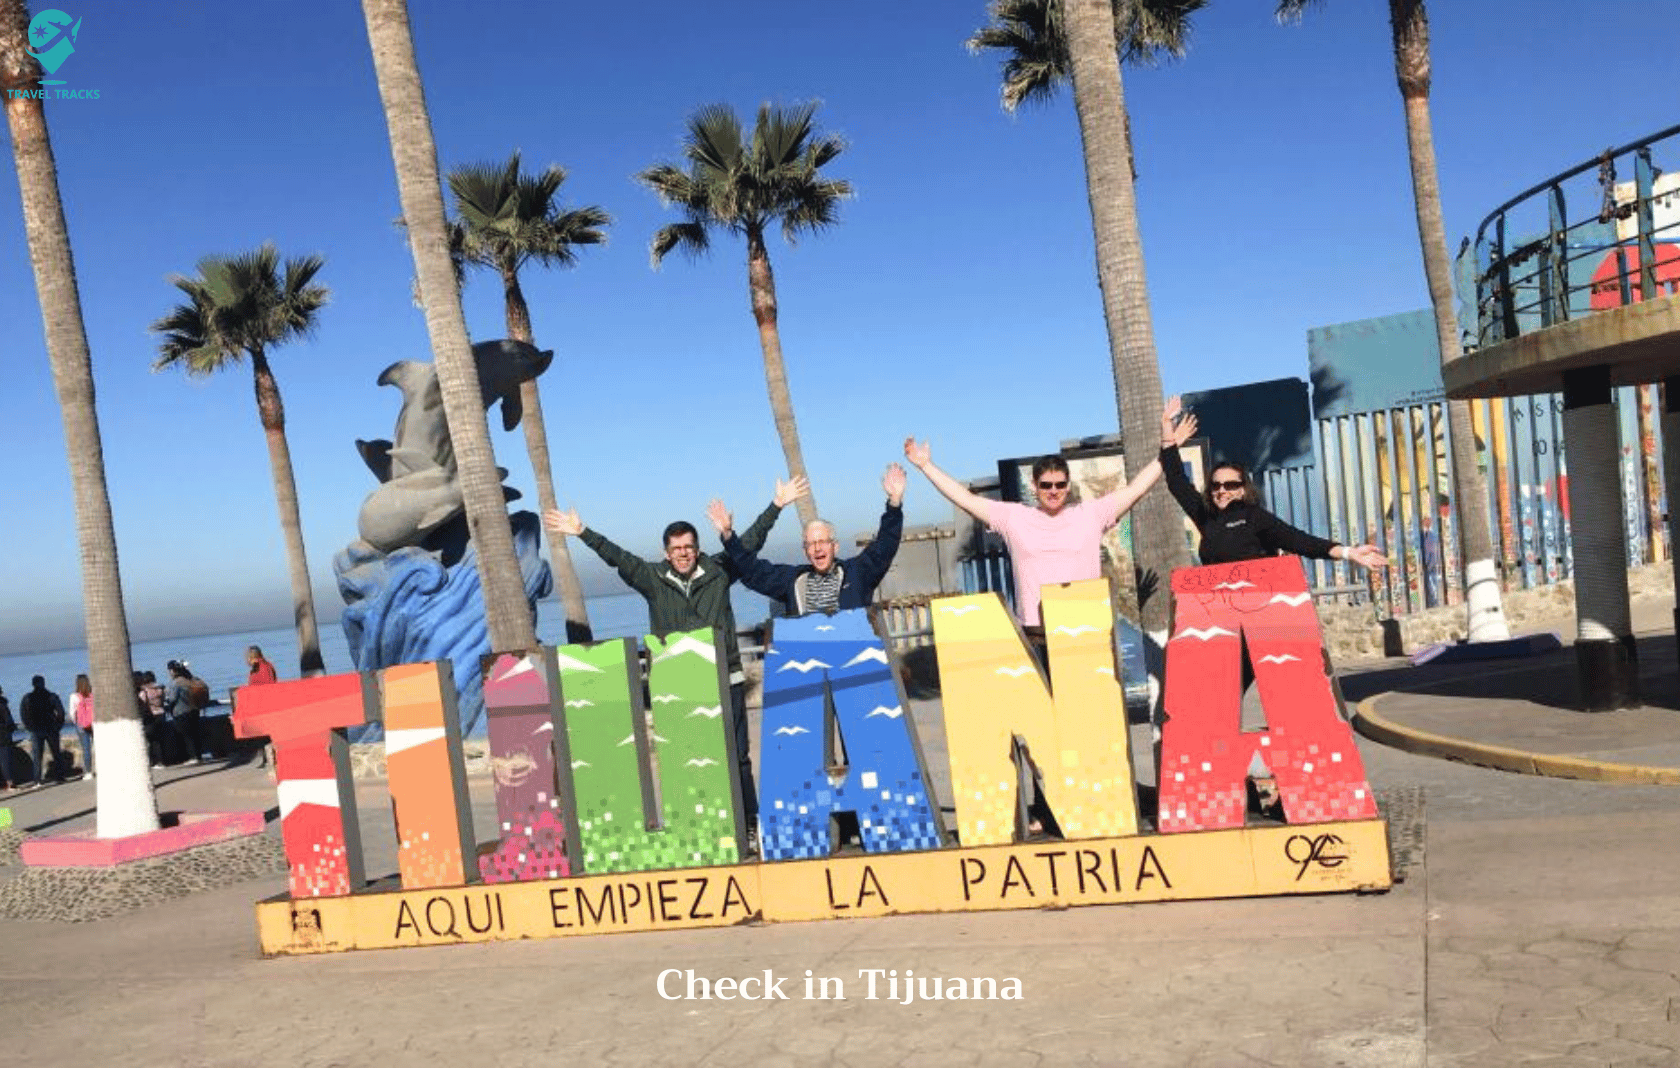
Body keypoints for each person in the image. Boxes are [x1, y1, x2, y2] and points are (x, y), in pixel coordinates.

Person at [542, 477, 808, 839]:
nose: (683, 553)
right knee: (691, 760)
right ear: (666, 552)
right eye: (676, 548)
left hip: (726, 678)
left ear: (697, 549)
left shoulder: (718, 571)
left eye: (688, 547)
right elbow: (619, 558)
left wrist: (776, 505)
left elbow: (748, 544)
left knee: (738, 757)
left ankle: (749, 822)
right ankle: (703, 827)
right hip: (681, 689)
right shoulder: (652, 579)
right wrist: (583, 532)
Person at [905, 399, 1200, 637]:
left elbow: (1137, 488)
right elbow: (965, 499)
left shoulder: (1091, 514)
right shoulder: (1013, 517)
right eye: (1046, 485)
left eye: (1060, 484)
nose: (1054, 491)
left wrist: (1169, 448)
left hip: (1088, 627)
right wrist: (926, 466)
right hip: (1036, 632)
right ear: (1034, 487)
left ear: (1068, 486)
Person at [708, 464, 906, 618]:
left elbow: (885, 545)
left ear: (835, 546)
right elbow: (751, 571)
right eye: (811, 544)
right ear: (805, 551)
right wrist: (728, 535)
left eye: (823, 541)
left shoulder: (858, 572)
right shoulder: (793, 581)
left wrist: (894, 503)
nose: (817, 548)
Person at [19, 675, 66, 787]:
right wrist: (58, 726)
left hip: (36, 729)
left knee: (37, 756)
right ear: (44, 683)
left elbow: (23, 714)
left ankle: (37, 780)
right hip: (51, 728)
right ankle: (59, 777)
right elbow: (61, 712)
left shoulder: (28, 697)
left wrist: (29, 727)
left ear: (33, 684)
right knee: (56, 753)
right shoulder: (52, 696)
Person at [162, 660, 205, 765]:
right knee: (195, 734)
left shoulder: (176, 683)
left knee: (187, 736)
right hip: (194, 710)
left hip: (181, 712)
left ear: (172, 671)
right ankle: (198, 756)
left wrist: (166, 697)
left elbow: (172, 698)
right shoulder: (190, 679)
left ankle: (193, 757)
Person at [139, 670, 167, 767]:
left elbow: (142, 703)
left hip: (151, 715)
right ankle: (162, 761)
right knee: (160, 739)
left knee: (152, 740)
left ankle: (156, 762)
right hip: (161, 713)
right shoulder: (160, 689)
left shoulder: (145, 691)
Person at [70, 673, 94, 780]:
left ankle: (88, 772)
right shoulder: (92, 694)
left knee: (86, 749)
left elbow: (72, 713)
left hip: (81, 725)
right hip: (93, 724)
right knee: (98, 747)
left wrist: (77, 722)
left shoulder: (74, 696)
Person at [0, 686, 19, 791]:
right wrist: (11, 728)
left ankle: (6, 783)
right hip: (3, 735)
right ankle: (10, 783)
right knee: (6, 759)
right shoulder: (2, 704)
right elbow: (8, 720)